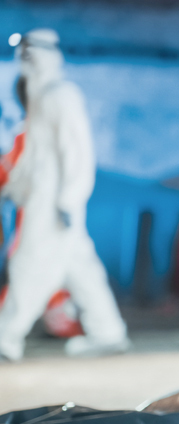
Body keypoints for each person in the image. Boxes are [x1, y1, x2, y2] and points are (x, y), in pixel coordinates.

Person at [0, 29, 129, 361]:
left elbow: (77, 151)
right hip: (44, 200)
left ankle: (6, 338)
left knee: (29, 266)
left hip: (54, 204)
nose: (23, 60)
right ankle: (108, 331)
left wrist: (70, 198)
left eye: (28, 53)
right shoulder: (40, 98)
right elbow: (33, 157)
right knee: (80, 267)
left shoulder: (61, 94)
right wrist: (14, 188)